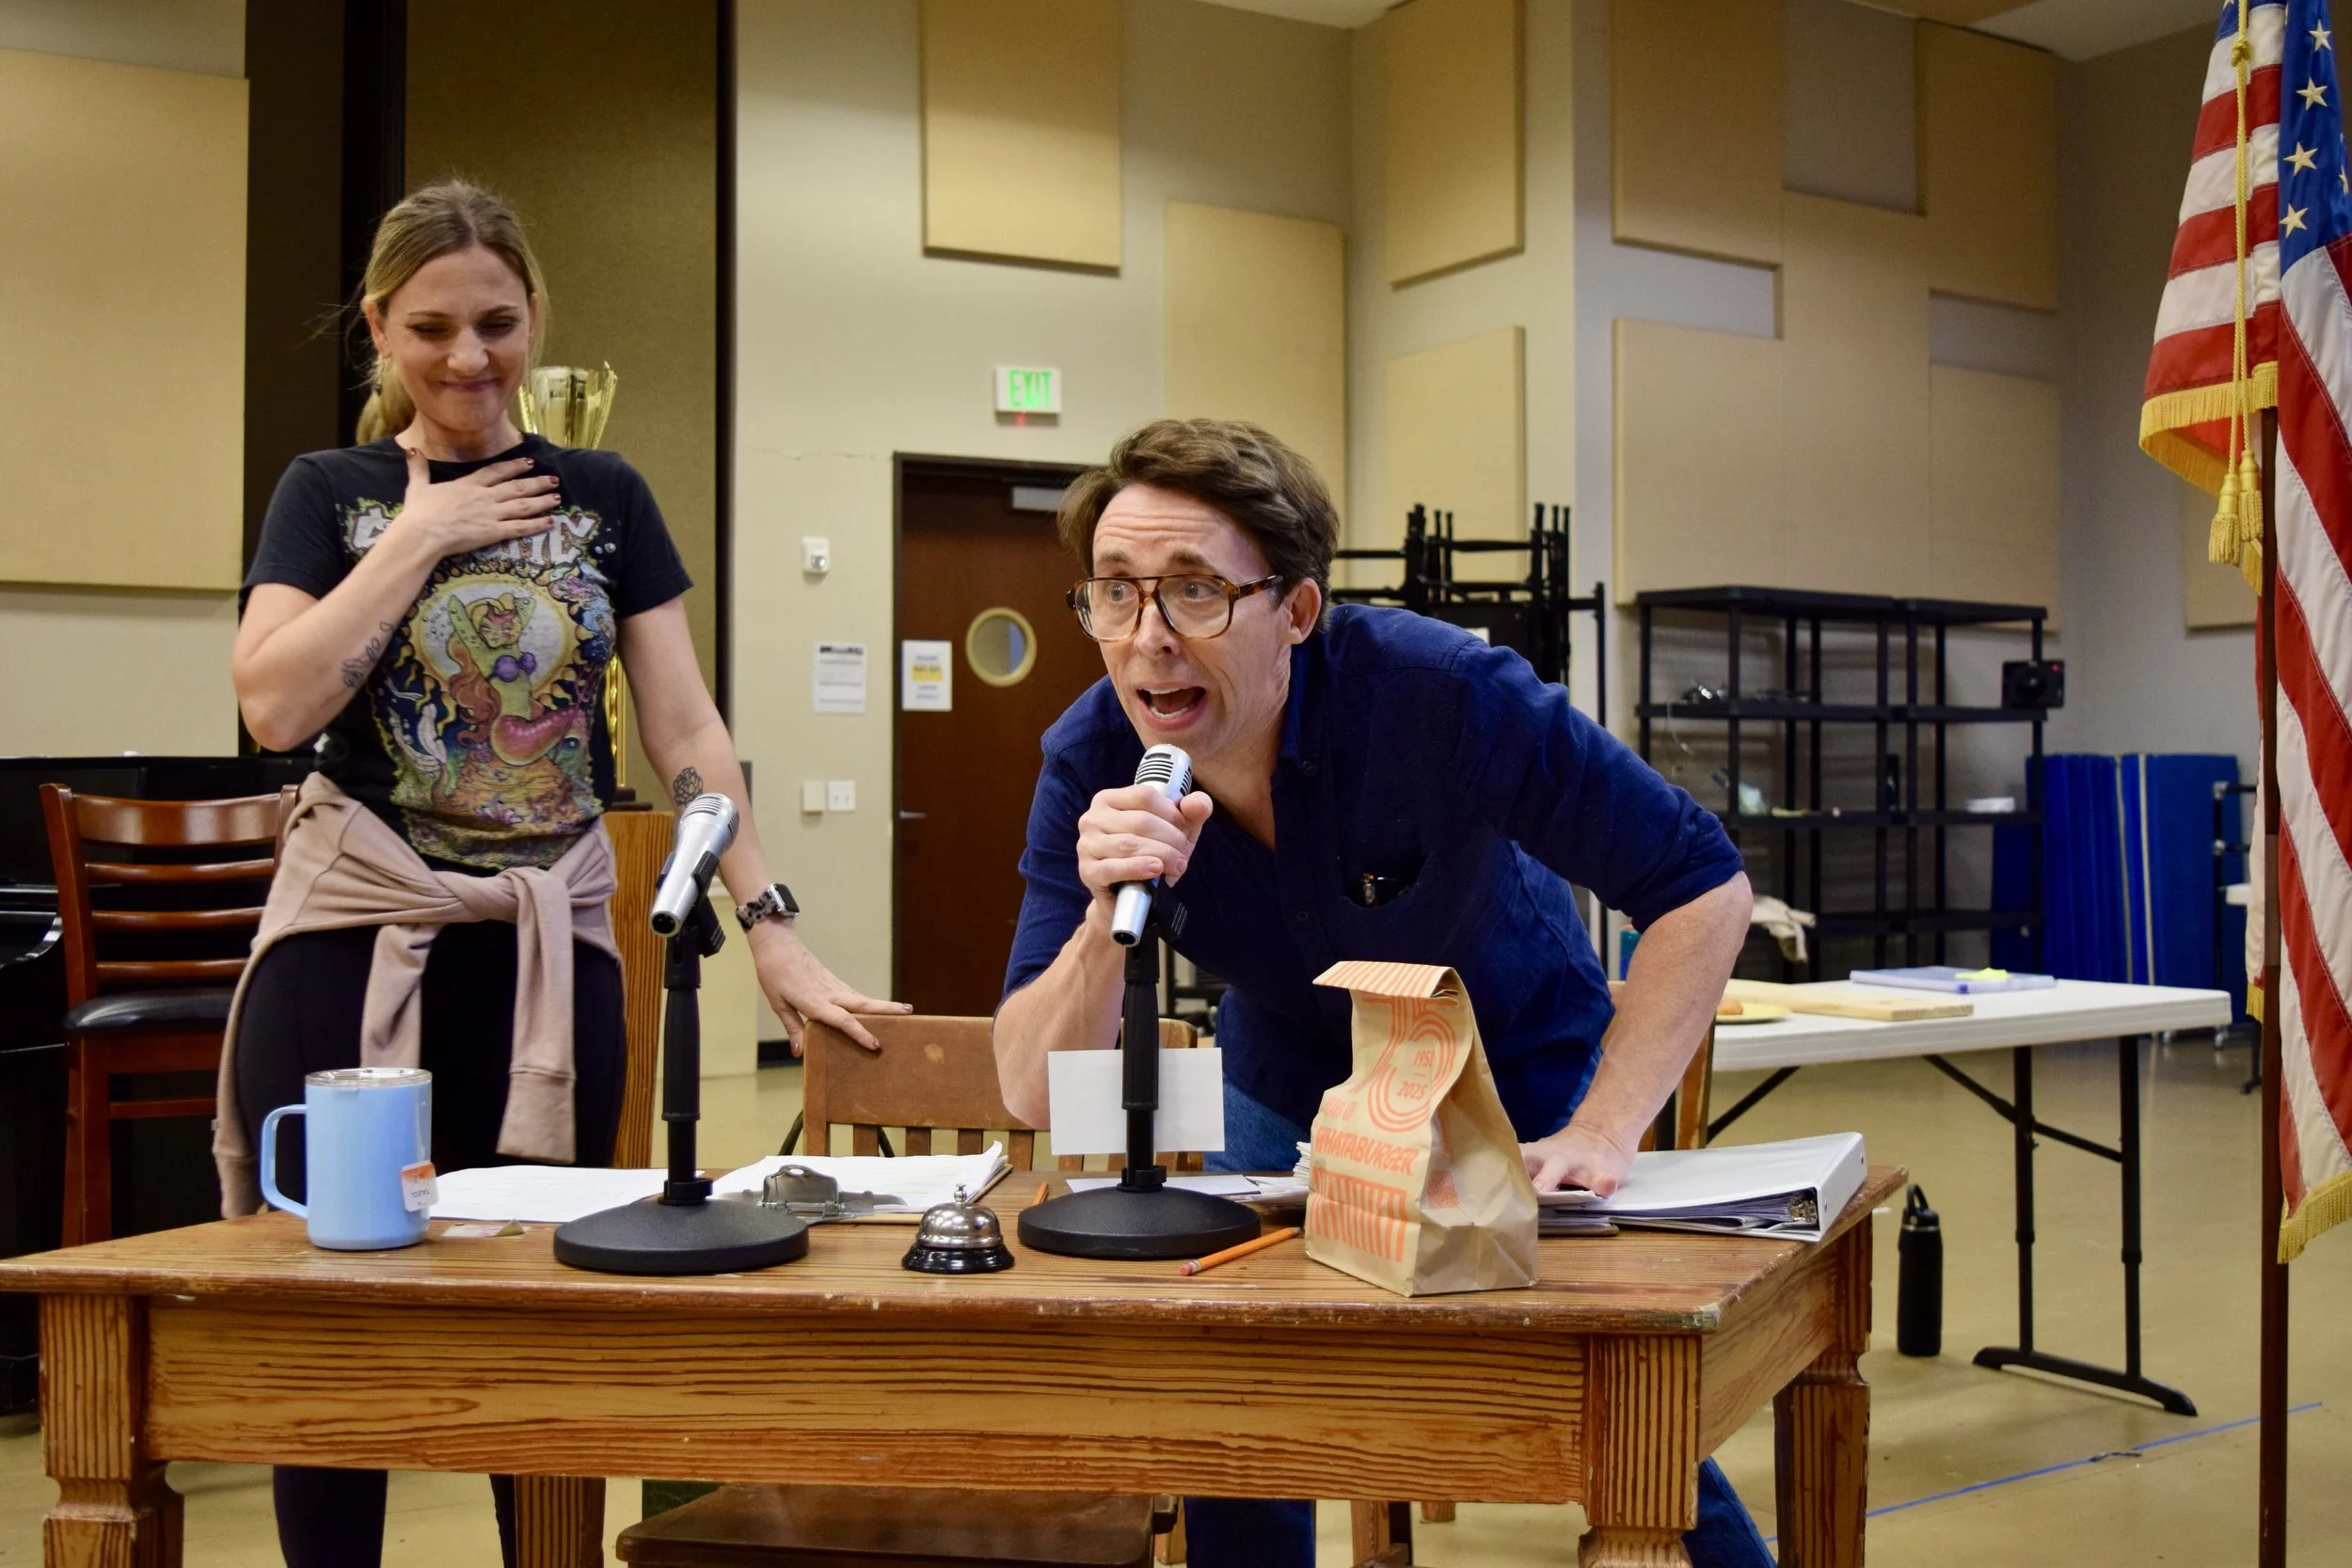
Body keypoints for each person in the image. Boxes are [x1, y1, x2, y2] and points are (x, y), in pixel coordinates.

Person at [224, 180, 903, 1568]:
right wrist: (421, 534)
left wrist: (768, 922)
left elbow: (687, 727)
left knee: (549, 1307)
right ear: (377, 326)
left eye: (496, 322)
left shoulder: (605, 498)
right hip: (364, 939)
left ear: (536, 317)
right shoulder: (329, 491)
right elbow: (275, 708)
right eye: (430, 328)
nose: (467, 357)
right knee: (344, 1325)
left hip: (548, 941)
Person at [993, 420, 1765, 1567]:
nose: (1148, 641)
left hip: (1514, 1057)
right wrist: (1109, 919)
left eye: (1194, 591)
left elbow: (1702, 886)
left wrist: (1605, 1125)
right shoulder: (1092, 755)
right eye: (1115, 594)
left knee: (1608, 1392)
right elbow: (1025, 1083)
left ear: (1295, 610)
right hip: (1291, 1068)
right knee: (1242, 1392)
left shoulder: (1440, 692)